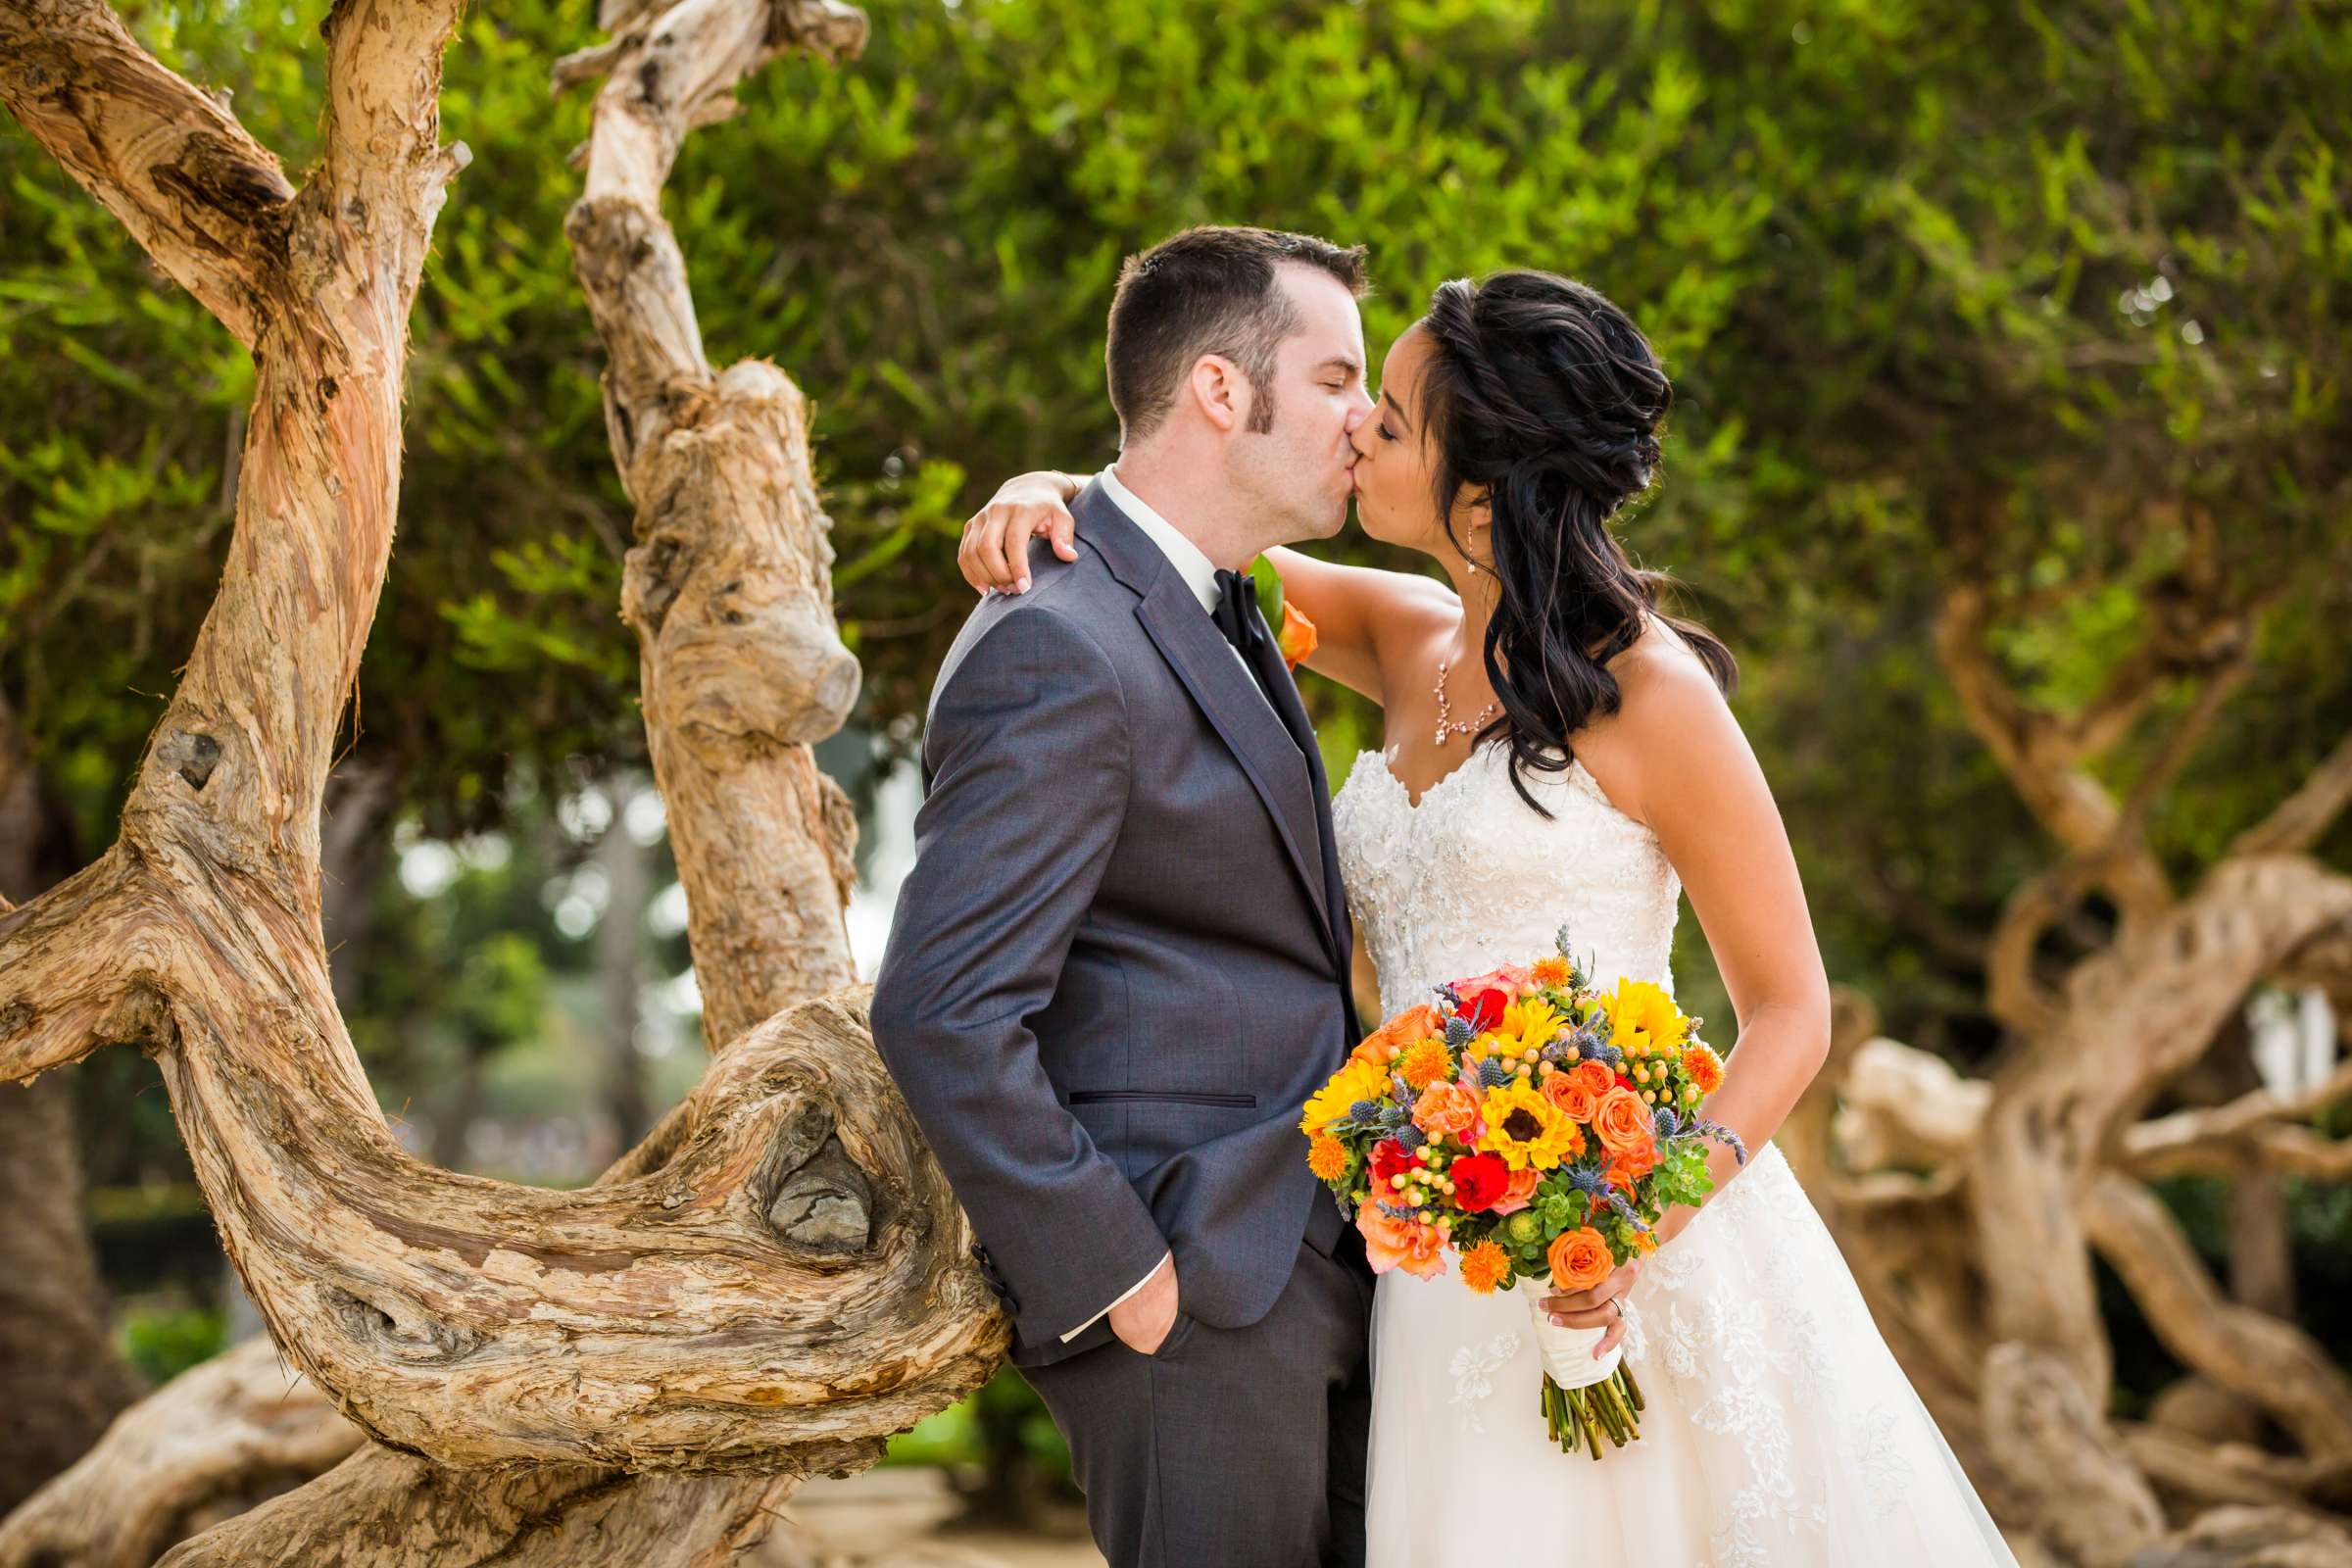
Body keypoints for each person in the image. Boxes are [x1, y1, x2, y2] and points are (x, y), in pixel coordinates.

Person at [956, 266, 2023, 1564]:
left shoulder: (1652, 692)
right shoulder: (1404, 638)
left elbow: (1793, 1012)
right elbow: (1168, 528)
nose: (1355, 429)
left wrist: (1636, 1224)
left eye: (1388, 418)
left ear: (1483, 479)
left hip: (1622, 1237)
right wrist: (1044, 492)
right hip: (1424, 1253)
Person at [870, 225, 1390, 1568]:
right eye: (1336, 379)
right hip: (1191, 1287)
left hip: (1328, 1261)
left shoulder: (1222, 600)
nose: (1367, 415)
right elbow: (941, 1008)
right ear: (1223, 390)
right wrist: (1120, 1277)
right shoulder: (1056, 640)